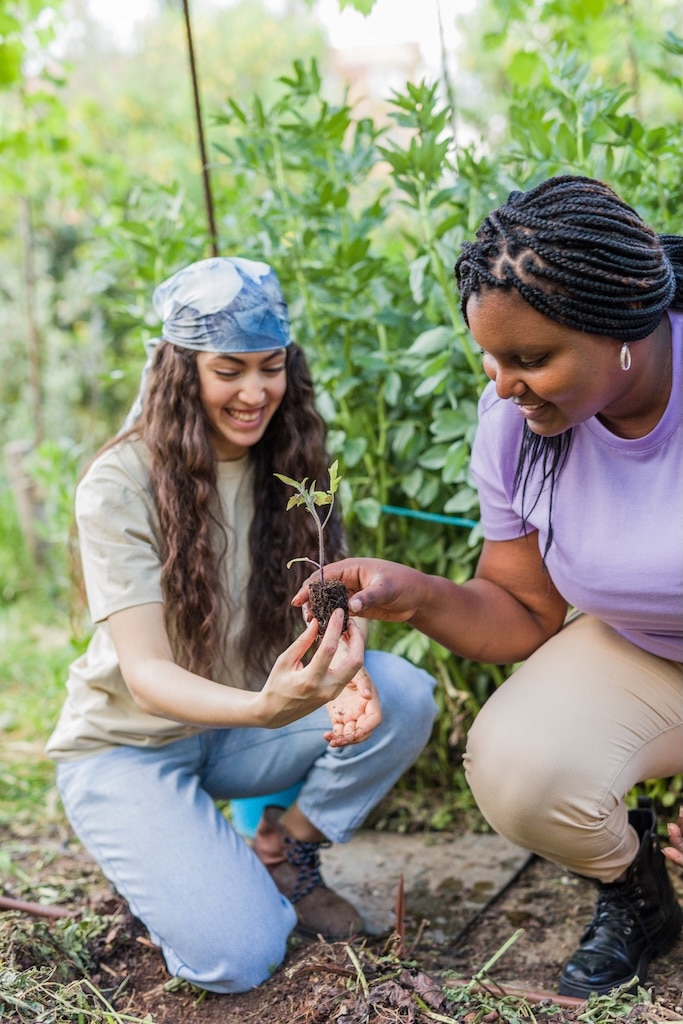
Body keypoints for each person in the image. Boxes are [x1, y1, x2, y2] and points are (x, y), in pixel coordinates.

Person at [293, 175, 683, 999]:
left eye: (531, 360)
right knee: (518, 768)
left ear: (623, 324)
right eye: (492, 359)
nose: (503, 386)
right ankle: (639, 894)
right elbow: (526, 611)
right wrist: (417, 595)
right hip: (649, 649)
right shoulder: (516, 425)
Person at [46, 256, 437, 994]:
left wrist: (343, 675)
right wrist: (265, 707)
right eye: (228, 370)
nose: (254, 392)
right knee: (238, 957)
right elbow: (148, 677)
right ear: (180, 370)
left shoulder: (293, 464)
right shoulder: (120, 483)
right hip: (128, 748)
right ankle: (173, 860)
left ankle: (279, 852)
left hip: (237, 732)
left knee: (404, 694)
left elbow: (322, 607)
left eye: (270, 366)